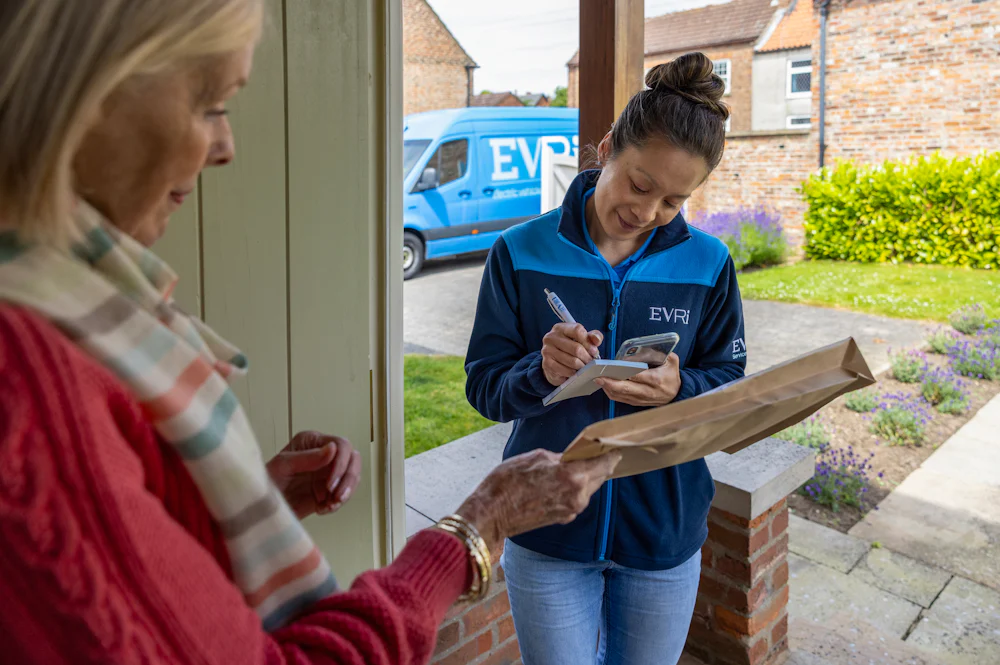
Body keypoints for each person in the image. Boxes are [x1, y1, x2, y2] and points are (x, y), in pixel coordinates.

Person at [0, 2, 621, 663]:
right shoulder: (29, 382)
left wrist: (250, 498)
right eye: (211, 104)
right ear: (80, 92)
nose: (225, 146)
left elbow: (131, 557)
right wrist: (476, 527)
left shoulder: (57, 297)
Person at [465, 53, 747, 665]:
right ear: (608, 147)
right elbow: (483, 387)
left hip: (664, 532)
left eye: (673, 201)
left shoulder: (709, 263)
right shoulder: (518, 251)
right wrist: (538, 371)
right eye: (640, 185)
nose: (647, 213)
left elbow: (727, 382)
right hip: (547, 530)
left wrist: (681, 387)